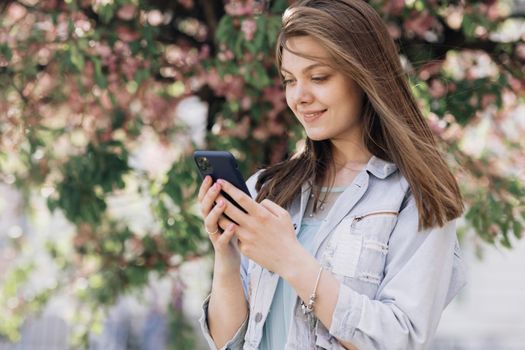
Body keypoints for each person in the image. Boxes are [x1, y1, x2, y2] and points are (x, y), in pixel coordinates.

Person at [197, 0, 466, 349]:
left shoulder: (414, 197)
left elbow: (400, 337)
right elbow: (227, 342)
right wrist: (227, 255)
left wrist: (290, 260)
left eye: (319, 77)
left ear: (363, 74)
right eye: (290, 80)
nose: (300, 97)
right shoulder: (268, 189)